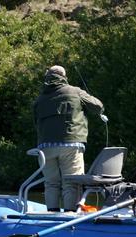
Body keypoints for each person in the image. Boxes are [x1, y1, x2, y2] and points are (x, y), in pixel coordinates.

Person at [33, 65, 104, 212]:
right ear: (64, 77)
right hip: (71, 144)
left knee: (51, 183)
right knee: (71, 183)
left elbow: (36, 122)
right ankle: (70, 215)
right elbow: (98, 106)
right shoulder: (75, 91)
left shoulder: (39, 100)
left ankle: (52, 213)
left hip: (45, 147)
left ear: (47, 77)